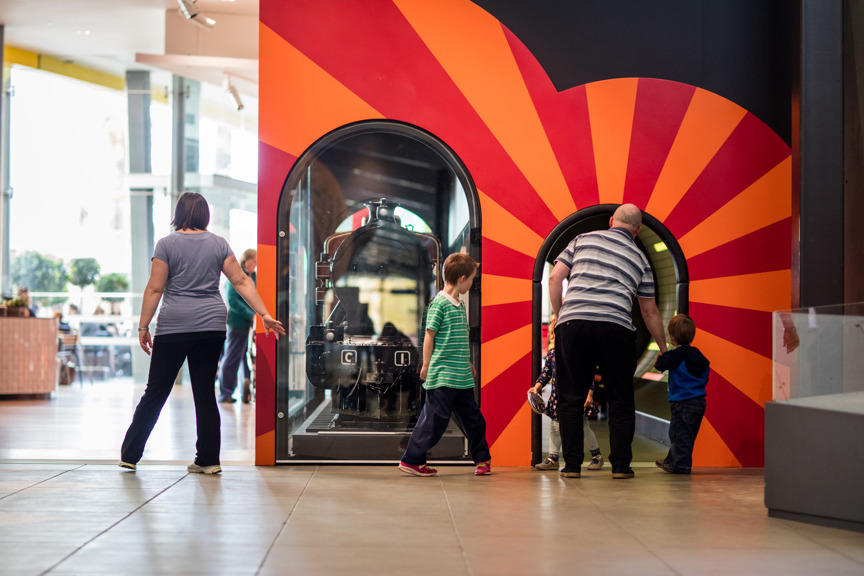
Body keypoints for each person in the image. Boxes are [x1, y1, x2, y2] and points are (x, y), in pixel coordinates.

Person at [119, 192, 284, 475]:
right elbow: (242, 281)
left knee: (156, 391)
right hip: (211, 325)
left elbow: (155, 288)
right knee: (205, 393)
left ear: (179, 213)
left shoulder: (166, 244)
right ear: (205, 214)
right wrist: (264, 314)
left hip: (174, 325)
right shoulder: (219, 243)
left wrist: (143, 326)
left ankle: (130, 455)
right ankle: (208, 460)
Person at [549, 204, 667, 479]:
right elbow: (649, 311)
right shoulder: (641, 259)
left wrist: (560, 315)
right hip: (616, 329)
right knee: (621, 399)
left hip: (574, 324)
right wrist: (663, 348)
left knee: (570, 399)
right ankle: (621, 467)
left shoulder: (581, 240)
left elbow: (555, 277)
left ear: (612, 220)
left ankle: (572, 466)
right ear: (637, 231)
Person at [398, 253, 491, 477]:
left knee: (474, 419)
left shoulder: (459, 305)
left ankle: (482, 459)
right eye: (471, 280)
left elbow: (458, 338)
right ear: (461, 278)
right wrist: (427, 364)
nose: (472, 283)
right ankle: (412, 460)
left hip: (461, 376)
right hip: (442, 375)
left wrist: (467, 362)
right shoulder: (439, 304)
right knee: (434, 421)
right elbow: (429, 336)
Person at [528, 315, 604, 471]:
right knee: (555, 427)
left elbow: (587, 376)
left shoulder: (579, 353)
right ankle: (553, 458)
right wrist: (536, 387)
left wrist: (590, 394)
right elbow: (546, 373)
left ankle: (597, 456)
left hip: (579, 396)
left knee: (582, 426)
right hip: (558, 396)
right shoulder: (551, 354)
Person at [654, 314, 710, 474]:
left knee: (678, 435)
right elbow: (706, 374)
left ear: (672, 337)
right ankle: (670, 461)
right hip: (699, 401)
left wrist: (660, 357)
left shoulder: (676, 355)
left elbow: (660, 365)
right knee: (686, 434)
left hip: (682, 403)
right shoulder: (699, 355)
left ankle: (681, 467)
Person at [218, 248, 257, 404]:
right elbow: (233, 302)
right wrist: (252, 315)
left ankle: (244, 392)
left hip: (249, 324)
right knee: (232, 358)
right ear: (246, 260)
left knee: (244, 358)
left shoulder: (252, 276)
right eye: (254, 262)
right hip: (237, 323)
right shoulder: (235, 276)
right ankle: (225, 393)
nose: (255, 265)